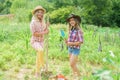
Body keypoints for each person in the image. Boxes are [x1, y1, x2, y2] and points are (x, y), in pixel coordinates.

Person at [30, 6, 49, 77]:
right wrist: (44, 32)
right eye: (38, 12)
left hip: (41, 41)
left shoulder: (43, 21)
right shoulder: (33, 22)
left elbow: (45, 30)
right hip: (35, 41)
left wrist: (47, 27)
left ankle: (37, 72)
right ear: (35, 13)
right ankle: (43, 66)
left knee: (39, 56)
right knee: (40, 51)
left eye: (41, 12)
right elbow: (34, 33)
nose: (40, 14)